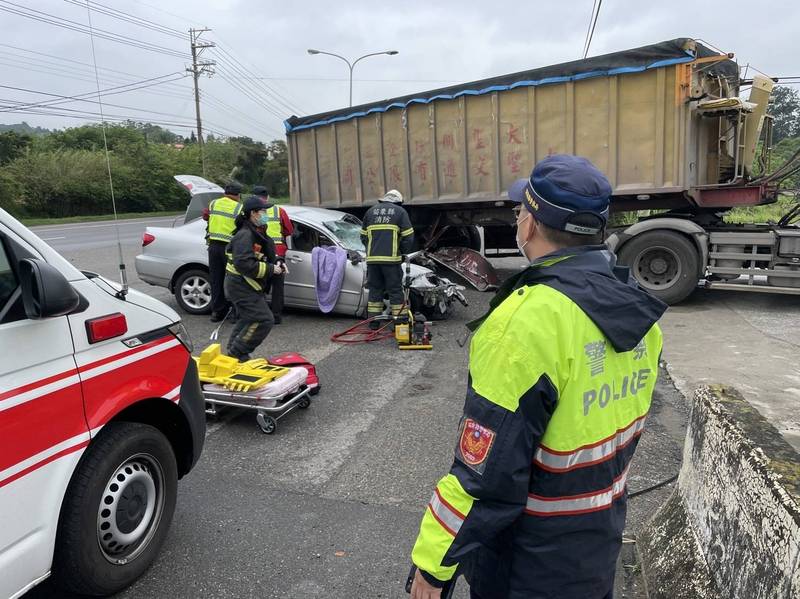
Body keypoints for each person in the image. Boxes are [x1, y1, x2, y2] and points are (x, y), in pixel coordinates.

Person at [409, 155, 668, 599]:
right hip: (596, 541)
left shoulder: (526, 323)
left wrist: (433, 566)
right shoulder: (639, 312)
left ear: (528, 224)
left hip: (527, 562)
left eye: (518, 211)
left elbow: (485, 474)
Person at [223, 195, 285, 361]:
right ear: (253, 213)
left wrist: (279, 261)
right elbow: (244, 264)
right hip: (240, 285)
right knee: (264, 319)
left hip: (247, 285)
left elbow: (268, 253)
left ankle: (233, 354)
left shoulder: (258, 230)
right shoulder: (245, 235)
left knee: (247, 318)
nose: (266, 214)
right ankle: (237, 352)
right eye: (263, 211)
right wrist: (272, 269)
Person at [359, 189, 414, 327]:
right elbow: (408, 237)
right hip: (391, 261)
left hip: (372, 261)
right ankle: (400, 324)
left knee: (375, 291)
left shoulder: (370, 212)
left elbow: (363, 236)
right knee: (395, 290)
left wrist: (371, 251)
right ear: (398, 201)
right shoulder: (400, 212)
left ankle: (373, 323)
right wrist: (402, 253)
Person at [252, 185, 294, 324]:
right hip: (278, 252)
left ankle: (261, 314)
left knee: (260, 283)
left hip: (260, 251)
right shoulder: (279, 210)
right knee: (278, 286)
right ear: (268, 197)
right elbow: (289, 230)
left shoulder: (253, 212)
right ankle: (276, 316)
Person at [206, 182, 243, 322]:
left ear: (225, 193)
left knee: (216, 279)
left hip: (214, 247)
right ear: (238, 195)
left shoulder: (213, 204)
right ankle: (234, 314)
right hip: (230, 248)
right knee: (234, 280)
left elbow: (206, 216)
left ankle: (217, 312)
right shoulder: (239, 208)